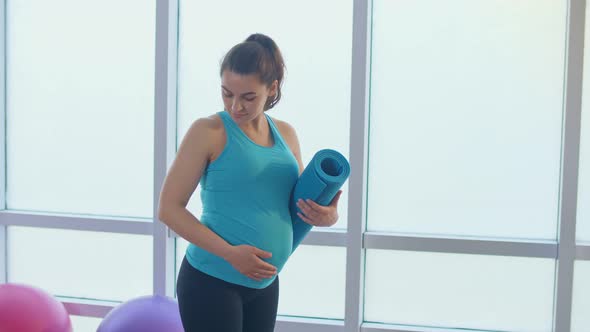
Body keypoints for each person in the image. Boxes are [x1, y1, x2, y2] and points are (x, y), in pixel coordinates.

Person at [157, 33, 343, 332]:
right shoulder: (208, 131)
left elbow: (294, 206)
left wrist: (328, 215)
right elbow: (168, 209)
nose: (235, 106)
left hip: (265, 283)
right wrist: (231, 254)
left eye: (248, 97)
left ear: (272, 89)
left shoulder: (287, 134)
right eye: (227, 93)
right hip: (211, 280)